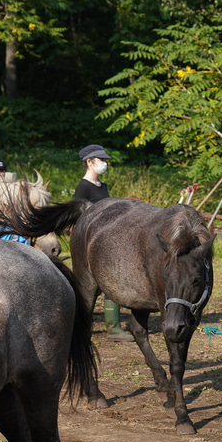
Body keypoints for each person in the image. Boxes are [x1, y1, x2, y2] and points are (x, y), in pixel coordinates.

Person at [75, 144, 134, 342]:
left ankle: (114, 329)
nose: (105, 163)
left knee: (111, 281)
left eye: (105, 160)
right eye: (101, 160)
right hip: (90, 242)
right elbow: (79, 218)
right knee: (87, 287)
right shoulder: (83, 188)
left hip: (107, 242)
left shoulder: (103, 187)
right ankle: (81, 328)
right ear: (90, 162)